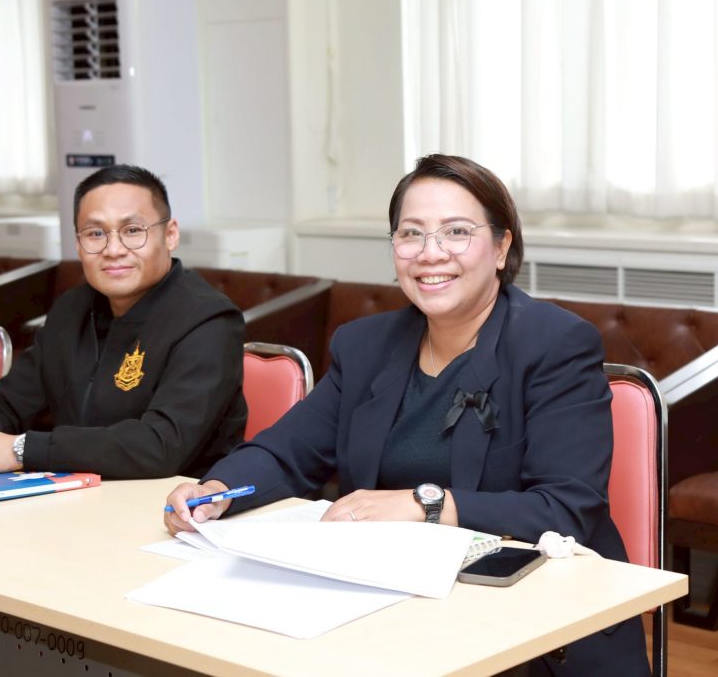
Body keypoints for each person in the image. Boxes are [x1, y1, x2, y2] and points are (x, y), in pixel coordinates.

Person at [164, 154, 650, 676]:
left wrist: (427, 504)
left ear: (501, 247)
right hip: (390, 609)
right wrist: (217, 489)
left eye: (457, 232)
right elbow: (286, 453)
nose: (430, 253)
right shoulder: (365, 344)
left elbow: (564, 509)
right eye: (411, 234)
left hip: (532, 624)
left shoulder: (555, 344)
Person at [0, 164, 247, 482]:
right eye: (95, 233)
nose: (113, 249)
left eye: (133, 231)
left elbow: (161, 445)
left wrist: (21, 449)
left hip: (172, 504)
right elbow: (9, 399)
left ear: (170, 235)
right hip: (78, 491)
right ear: (78, 243)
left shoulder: (209, 321)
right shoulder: (73, 308)